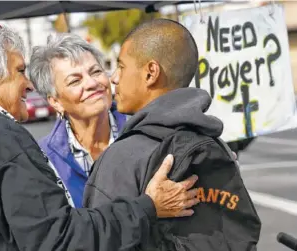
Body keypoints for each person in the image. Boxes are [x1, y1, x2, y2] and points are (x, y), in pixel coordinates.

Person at [0, 18, 200, 251]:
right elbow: (59, 238)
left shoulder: (158, 134)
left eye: (96, 71)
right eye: (20, 71)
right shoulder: (8, 141)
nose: (27, 85)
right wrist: (147, 207)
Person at [84, 19, 261, 251]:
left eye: (122, 66)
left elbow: (95, 240)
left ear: (151, 73)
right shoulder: (217, 147)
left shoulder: (122, 158)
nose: (114, 78)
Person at [29, 33, 128, 207]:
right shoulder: (43, 159)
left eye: (96, 71)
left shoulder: (141, 131)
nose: (91, 83)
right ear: (56, 102)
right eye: (75, 81)